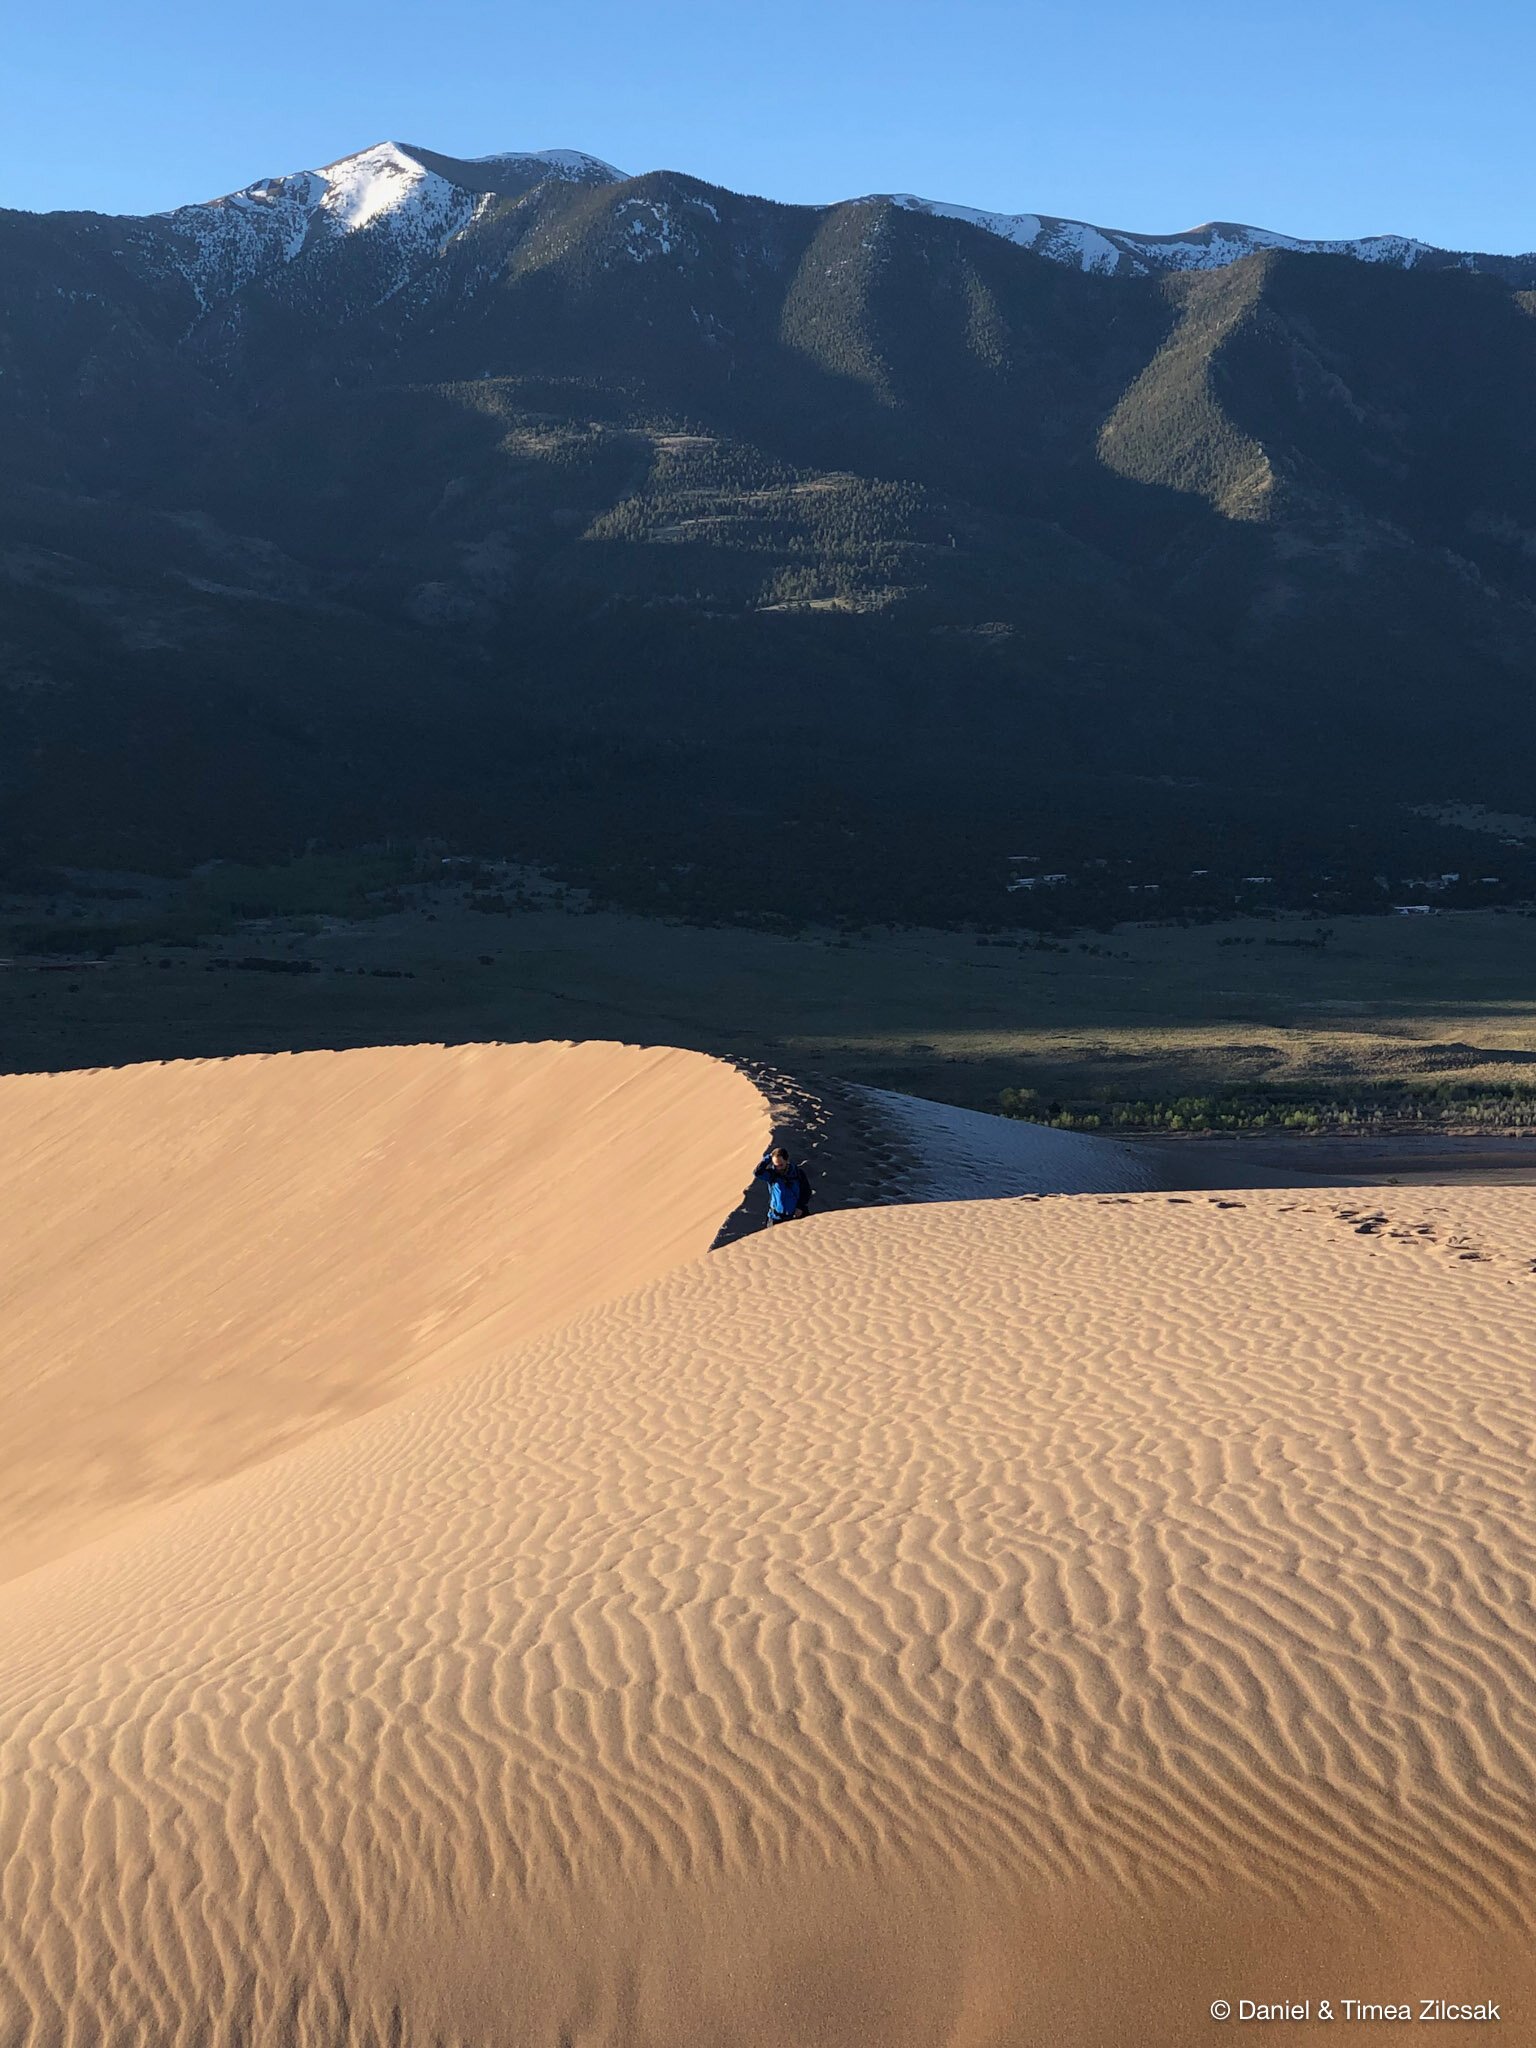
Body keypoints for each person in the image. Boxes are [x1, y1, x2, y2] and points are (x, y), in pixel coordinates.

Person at [753, 1144, 812, 1226]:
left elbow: (806, 1191)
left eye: (781, 1165)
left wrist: (800, 1207)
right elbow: (757, 1172)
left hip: (795, 1218)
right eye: (776, 1165)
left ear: (787, 1160)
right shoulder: (772, 1174)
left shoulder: (798, 1173)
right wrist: (770, 1157)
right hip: (776, 1219)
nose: (779, 1168)